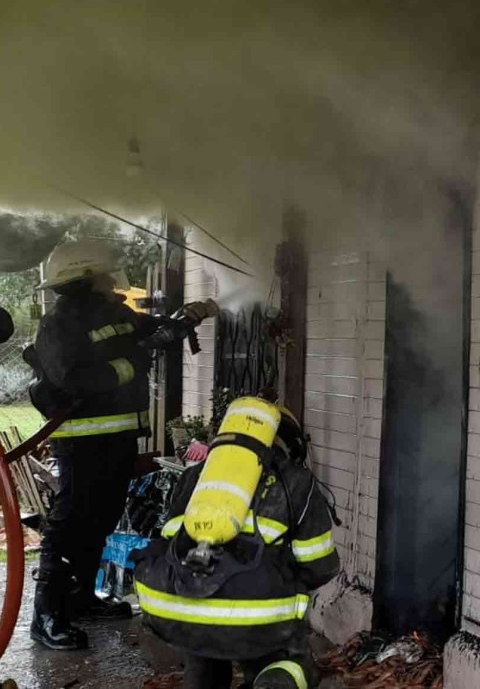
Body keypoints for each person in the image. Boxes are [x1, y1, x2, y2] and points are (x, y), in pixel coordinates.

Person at [28, 238, 216, 649]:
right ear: (86, 278)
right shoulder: (59, 325)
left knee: (102, 518)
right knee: (71, 522)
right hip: (80, 442)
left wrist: (180, 321)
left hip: (118, 436)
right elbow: (72, 379)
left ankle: (80, 600)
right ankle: (48, 615)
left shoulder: (114, 313)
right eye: (102, 274)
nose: (110, 279)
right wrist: (133, 363)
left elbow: (145, 331)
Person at [135, 403, 340, 689]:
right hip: (255, 616)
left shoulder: (196, 476)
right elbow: (319, 565)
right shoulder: (297, 481)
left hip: (175, 607)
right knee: (290, 664)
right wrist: (275, 576)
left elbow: (172, 544)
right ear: (289, 444)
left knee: (204, 651)